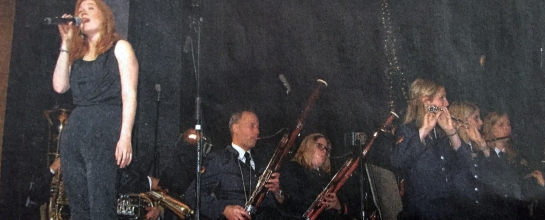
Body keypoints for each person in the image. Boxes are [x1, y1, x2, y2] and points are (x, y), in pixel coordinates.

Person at [52, 0, 138, 219]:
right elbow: (60, 86)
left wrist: (125, 136)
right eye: (80, 10)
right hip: (76, 132)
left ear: (104, 16)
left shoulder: (120, 48)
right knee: (78, 207)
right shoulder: (77, 55)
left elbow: (129, 95)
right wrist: (66, 42)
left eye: (90, 8)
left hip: (105, 129)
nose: (83, 12)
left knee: (101, 205)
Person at [390, 78, 470, 219]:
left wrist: (451, 132)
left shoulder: (439, 133)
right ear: (426, 101)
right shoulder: (407, 131)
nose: (446, 103)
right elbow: (397, 161)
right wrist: (424, 131)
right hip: (423, 212)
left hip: (450, 209)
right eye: (442, 98)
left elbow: (465, 162)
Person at [184, 110, 283, 220]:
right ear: (235, 128)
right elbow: (193, 194)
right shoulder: (219, 159)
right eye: (252, 126)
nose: (257, 131)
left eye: (258, 127)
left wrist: (278, 193)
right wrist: (223, 209)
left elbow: (277, 206)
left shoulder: (263, 161)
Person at [480, 112, 545, 219]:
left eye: (508, 124)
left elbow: (522, 186)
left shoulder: (517, 156)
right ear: (491, 129)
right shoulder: (485, 156)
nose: (507, 128)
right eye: (501, 125)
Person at [279, 133, 350, 220]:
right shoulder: (292, 168)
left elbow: (346, 205)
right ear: (309, 146)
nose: (324, 151)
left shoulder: (327, 177)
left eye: (326, 149)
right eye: (320, 146)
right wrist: (320, 197)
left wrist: (338, 205)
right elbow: (296, 196)